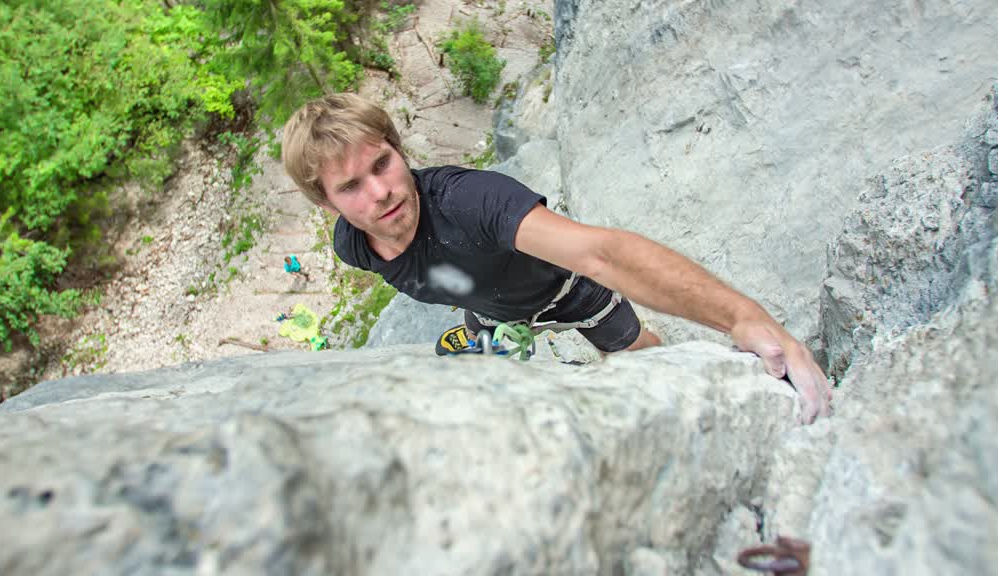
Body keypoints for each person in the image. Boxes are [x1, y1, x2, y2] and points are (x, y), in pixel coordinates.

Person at [282, 93, 833, 423]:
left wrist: (743, 317)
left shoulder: (472, 201)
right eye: (350, 186)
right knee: (494, 388)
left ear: (400, 151)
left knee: (636, 352)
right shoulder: (354, 246)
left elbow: (601, 254)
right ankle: (492, 345)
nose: (380, 193)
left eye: (382, 163)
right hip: (493, 316)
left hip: (569, 292)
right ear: (325, 202)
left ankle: (644, 351)